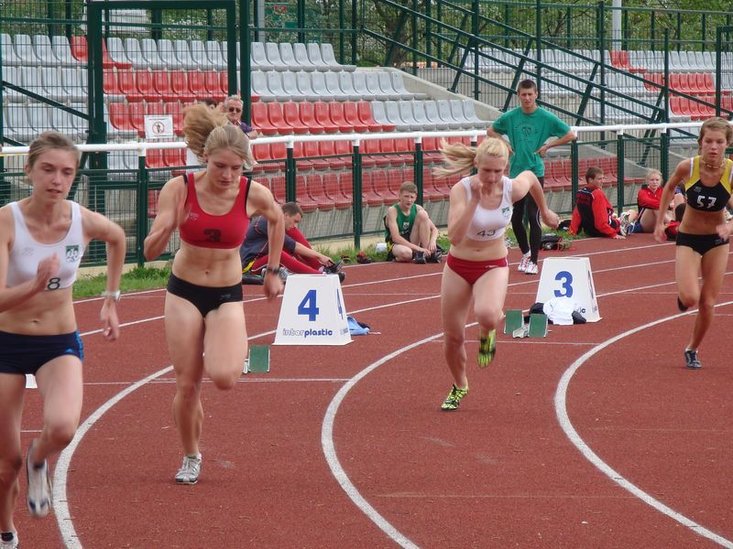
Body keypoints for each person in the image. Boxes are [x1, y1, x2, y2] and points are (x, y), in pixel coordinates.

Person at [143, 104, 285, 485]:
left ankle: (223, 351)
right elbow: (148, 251)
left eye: (236, 168)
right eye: (220, 166)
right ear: (204, 157)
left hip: (226, 291)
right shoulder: (180, 188)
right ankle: (191, 455)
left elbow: (278, 220)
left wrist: (272, 271)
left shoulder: (254, 193)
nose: (227, 175)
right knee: (187, 383)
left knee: (224, 376)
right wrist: (167, 226)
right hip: (184, 290)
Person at [0, 131, 126, 548]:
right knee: (5, 465)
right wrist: (36, 283)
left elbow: (118, 238)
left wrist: (110, 299)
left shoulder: (80, 219)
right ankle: (6, 533)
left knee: (63, 427)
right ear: (29, 171)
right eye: (48, 169)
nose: (57, 180)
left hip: (58, 343)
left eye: (67, 172)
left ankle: (39, 459)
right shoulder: (6, 221)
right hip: (6, 343)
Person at [433, 137, 559, 411]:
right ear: (476, 164)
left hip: (493, 264)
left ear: (504, 169)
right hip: (458, 265)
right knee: (453, 337)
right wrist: (474, 200)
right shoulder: (462, 190)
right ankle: (459, 384)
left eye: (498, 172)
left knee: (488, 314)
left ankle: (487, 333)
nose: (491, 178)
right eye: (486, 171)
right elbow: (453, 238)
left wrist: (545, 211)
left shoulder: (511, 188)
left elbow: (532, 179)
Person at [653, 116, 733, 370]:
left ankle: (692, 348)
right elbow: (668, 188)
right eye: (708, 141)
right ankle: (683, 299)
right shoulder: (688, 167)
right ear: (700, 143)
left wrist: (730, 225)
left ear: (727, 144)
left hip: (717, 241)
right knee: (690, 298)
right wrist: (659, 221)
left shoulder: (731, 172)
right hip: (688, 237)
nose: (713, 147)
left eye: (719, 142)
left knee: (708, 303)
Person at [486, 78, 576, 275]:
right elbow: (491, 130)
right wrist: (505, 144)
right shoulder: (510, 117)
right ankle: (526, 253)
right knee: (516, 218)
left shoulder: (545, 117)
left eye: (530, 94)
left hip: (535, 172)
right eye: (523, 95)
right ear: (518, 96)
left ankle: (534, 260)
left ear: (536, 95)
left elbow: (570, 134)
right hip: (516, 173)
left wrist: (548, 145)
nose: (527, 98)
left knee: (533, 215)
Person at [240, 201, 345, 282]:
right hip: (250, 266)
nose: (295, 225)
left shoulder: (278, 222)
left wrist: (319, 257)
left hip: (264, 257)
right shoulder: (266, 222)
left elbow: (294, 244)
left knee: (292, 231)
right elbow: (293, 245)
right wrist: (320, 256)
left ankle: (321, 268)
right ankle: (320, 276)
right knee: (278, 254)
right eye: (295, 221)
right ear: (285, 215)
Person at [568, 166, 635, 239]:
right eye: (599, 179)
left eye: (603, 178)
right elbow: (600, 223)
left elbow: (577, 214)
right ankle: (624, 225)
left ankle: (623, 221)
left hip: (589, 231)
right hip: (606, 230)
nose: (602, 181)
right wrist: (613, 234)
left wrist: (572, 232)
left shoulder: (580, 193)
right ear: (590, 180)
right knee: (633, 212)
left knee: (616, 216)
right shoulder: (597, 194)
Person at [384, 181, 441, 263]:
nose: (409, 200)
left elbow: (434, 229)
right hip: (397, 244)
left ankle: (426, 254)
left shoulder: (417, 208)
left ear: (415, 197)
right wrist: (419, 249)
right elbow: (395, 238)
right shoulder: (393, 210)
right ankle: (414, 254)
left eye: (412, 197)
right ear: (399, 196)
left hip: (413, 240)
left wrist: (432, 241)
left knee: (423, 214)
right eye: (406, 196)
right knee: (406, 253)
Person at [633, 169, 684, 233]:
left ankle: (680, 223)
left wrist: (672, 202)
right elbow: (648, 202)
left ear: (660, 181)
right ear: (647, 181)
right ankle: (674, 225)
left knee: (678, 196)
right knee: (654, 206)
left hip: (662, 219)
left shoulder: (663, 191)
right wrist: (668, 205)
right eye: (652, 180)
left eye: (657, 180)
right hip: (647, 222)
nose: (655, 182)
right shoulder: (643, 192)